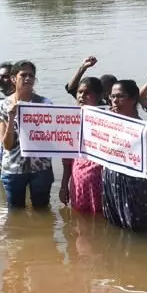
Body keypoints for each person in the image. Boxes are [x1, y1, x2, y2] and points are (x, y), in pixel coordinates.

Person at [0, 60, 55, 209]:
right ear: (14, 78)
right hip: (14, 169)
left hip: (41, 168)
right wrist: (12, 117)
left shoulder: (46, 104)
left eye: (31, 75)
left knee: (43, 211)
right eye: (23, 75)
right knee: (15, 212)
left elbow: (54, 137)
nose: (28, 78)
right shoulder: (2, 106)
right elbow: (6, 145)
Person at [102, 79, 147, 232]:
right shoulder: (106, 121)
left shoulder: (144, 129)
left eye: (120, 96)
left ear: (133, 99)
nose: (115, 101)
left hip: (133, 183)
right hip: (110, 179)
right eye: (112, 97)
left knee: (135, 227)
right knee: (113, 225)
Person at [60, 76, 104, 215]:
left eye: (87, 93)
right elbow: (67, 159)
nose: (82, 96)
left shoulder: (108, 120)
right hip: (78, 179)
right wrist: (63, 185)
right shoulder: (71, 120)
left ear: (98, 96)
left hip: (101, 181)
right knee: (79, 223)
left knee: (101, 221)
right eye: (79, 92)